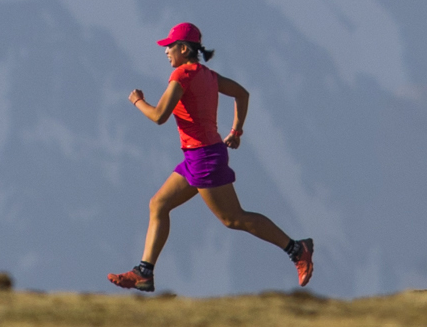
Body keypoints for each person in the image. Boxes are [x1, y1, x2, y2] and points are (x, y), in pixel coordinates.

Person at [107, 21, 312, 292]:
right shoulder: (207, 75)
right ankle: (144, 272)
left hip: (203, 158)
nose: (166, 51)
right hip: (199, 156)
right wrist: (236, 131)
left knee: (234, 218)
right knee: (158, 205)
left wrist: (137, 101)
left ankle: (297, 249)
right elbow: (242, 93)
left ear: (184, 48)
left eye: (170, 47)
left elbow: (159, 117)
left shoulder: (182, 76)